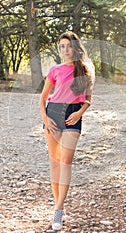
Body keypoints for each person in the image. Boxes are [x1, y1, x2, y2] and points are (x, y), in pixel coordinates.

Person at [39, 31, 95, 231]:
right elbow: (43, 97)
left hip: (73, 114)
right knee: (55, 163)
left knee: (66, 162)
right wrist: (45, 119)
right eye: (61, 47)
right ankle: (59, 206)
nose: (65, 50)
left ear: (76, 47)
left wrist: (79, 113)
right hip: (53, 114)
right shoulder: (55, 70)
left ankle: (58, 209)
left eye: (68, 46)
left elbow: (88, 99)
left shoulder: (86, 70)